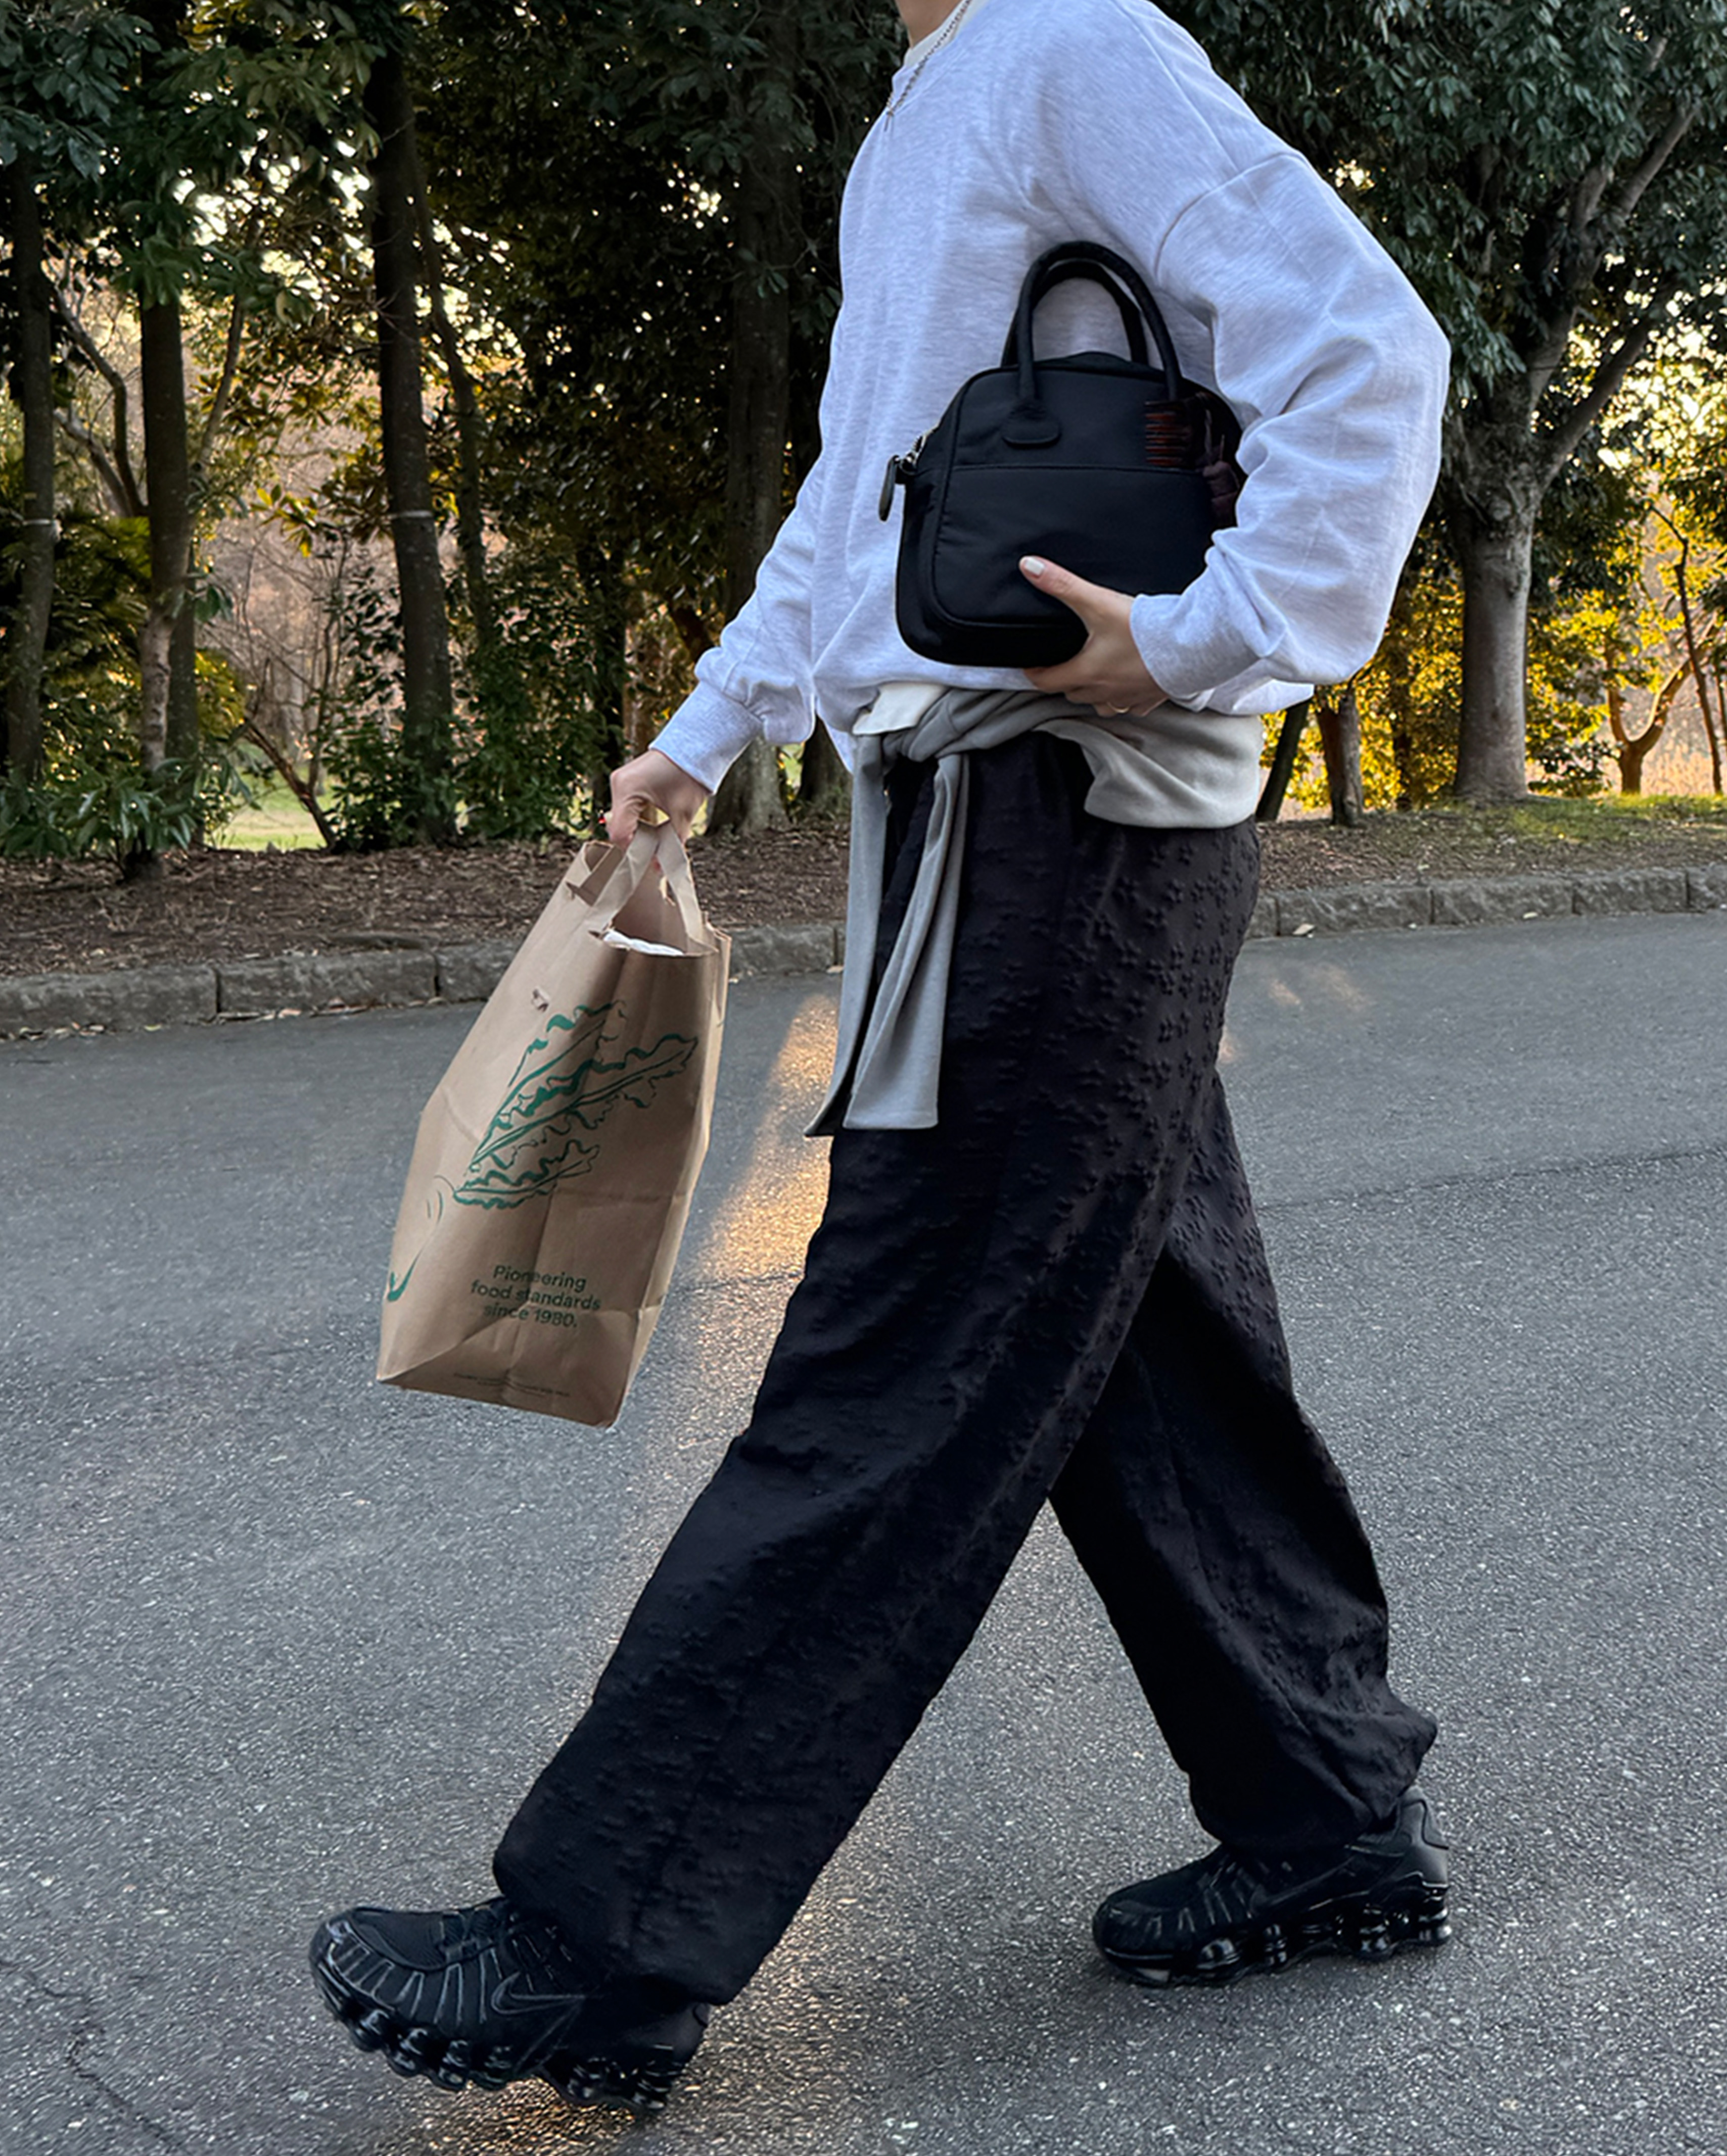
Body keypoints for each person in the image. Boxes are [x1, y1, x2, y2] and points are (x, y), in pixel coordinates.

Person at [309, 0, 1453, 2115]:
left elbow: (1370, 352)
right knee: (1145, 1334)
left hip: (1060, 816)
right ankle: (1326, 1811)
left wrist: (1201, 635)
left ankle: (600, 1943)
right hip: (995, 818)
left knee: (898, 1350)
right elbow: (863, 495)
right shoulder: (938, 100)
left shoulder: (1072, 42)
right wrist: (704, 734)